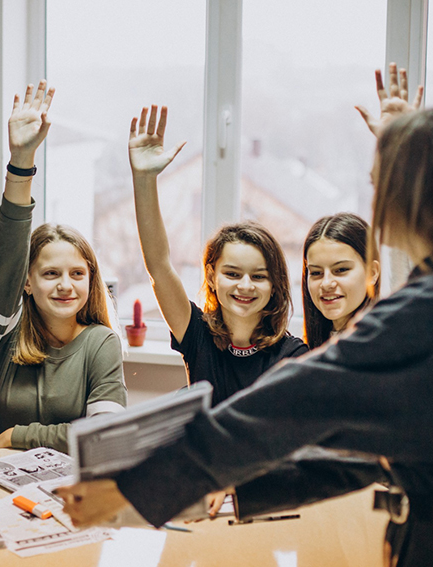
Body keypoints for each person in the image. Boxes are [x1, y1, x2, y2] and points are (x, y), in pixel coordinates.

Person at [58, 66, 433, 566]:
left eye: (380, 183)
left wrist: (138, 487)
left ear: (411, 193)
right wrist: (225, 485)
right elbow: (355, 459)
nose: (376, 200)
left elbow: (291, 403)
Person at [129, 104, 307, 516]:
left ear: (276, 284)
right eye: (232, 273)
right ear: (211, 276)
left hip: (264, 504)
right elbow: (158, 265)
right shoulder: (197, 334)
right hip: (199, 498)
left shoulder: (294, 356)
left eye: (259, 277)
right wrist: (144, 179)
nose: (245, 286)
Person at [0, 81, 127, 453]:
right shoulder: (6, 332)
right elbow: (7, 251)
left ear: (91, 280)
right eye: (50, 274)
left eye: (77, 274)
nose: (66, 284)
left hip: (71, 493)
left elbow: (105, 437)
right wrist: (21, 160)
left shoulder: (101, 343)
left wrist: (17, 436)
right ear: (26, 283)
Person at [303, 212, 380, 348]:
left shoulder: (388, 343)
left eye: (341, 270)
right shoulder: (305, 347)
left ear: (372, 273)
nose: (326, 283)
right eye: (316, 272)